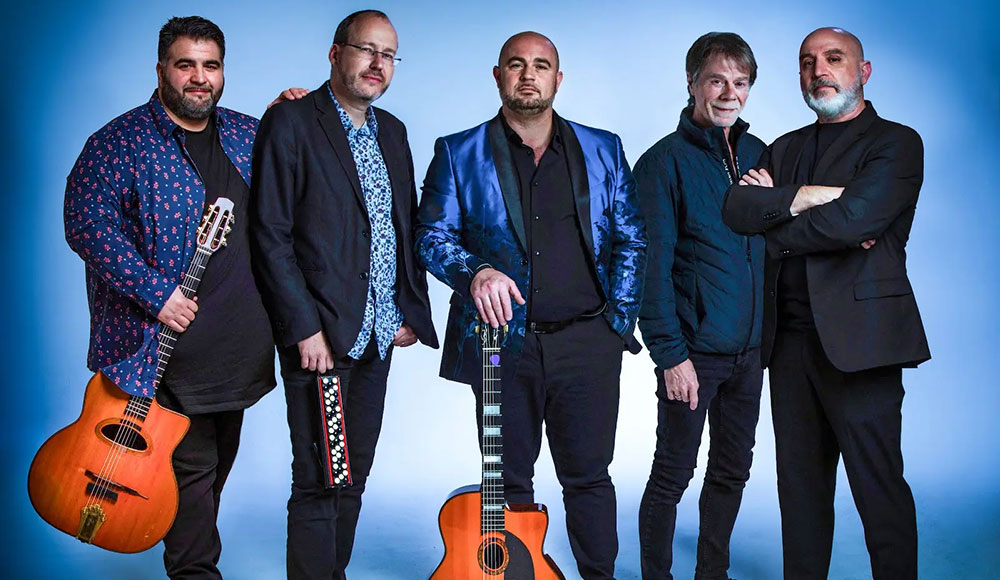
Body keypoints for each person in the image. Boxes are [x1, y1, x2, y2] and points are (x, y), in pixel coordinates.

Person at [415, 31, 646, 580]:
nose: (528, 75)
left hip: (587, 342)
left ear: (557, 79)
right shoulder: (458, 151)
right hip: (499, 345)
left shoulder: (603, 147)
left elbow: (633, 238)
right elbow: (430, 235)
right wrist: (474, 270)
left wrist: (616, 324)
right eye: (516, 64)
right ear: (498, 75)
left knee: (589, 476)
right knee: (508, 478)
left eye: (541, 65)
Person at [64, 16, 276, 579]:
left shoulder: (248, 134)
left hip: (237, 352)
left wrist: (300, 108)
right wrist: (156, 293)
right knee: (190, 477)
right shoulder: (119, 141)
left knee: (204, 482)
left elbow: (299, 174)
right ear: (161, 69)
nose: (199, 78)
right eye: (186, 65)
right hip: (157, 355)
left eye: (211, 66)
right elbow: (85, 222)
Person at [722, 27, 930, 580]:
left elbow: (857, 220)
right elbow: (738, 210)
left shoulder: (896, 142)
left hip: (863, 344)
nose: (820, 71)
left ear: (863, 71)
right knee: (800, 492)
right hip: (789, 346)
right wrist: (818, 202)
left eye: (834, 59)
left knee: (878, 488)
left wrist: (781, 215)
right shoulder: (786, 148)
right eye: (808, 62)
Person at [249, 9, 437, 579]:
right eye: (366, 50)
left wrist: (407, 309)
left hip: (378, 337)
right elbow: (270, 232)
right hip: (322, 341)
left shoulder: (395, 132)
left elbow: (402, 227)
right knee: (318, 479)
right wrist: (303, 327)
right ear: (336, 54)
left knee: (353, 474)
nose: (377, 64)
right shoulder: (293, 122)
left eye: (388, 55)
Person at [634, 32, 765, 580]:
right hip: (695, 354)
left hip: (751, 351)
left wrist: (774, 202)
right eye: (717, 80)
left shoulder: (761, 156)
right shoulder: (662, 164)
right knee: (672, 473)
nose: (729, 93)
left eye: (740, 83)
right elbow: (650, 271)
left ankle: (713, 572)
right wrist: (670, 355)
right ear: (692, 84)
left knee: (733, 471)